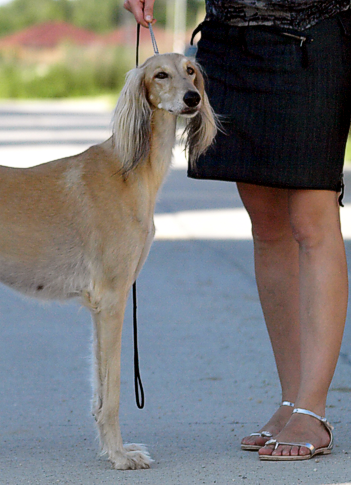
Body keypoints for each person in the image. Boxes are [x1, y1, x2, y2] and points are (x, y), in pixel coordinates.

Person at [124, 0, 350, 460]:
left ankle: (314, 409)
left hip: (315, 30)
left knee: (311, 218)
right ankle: (292, 400)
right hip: (229, 42)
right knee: (266, 224)